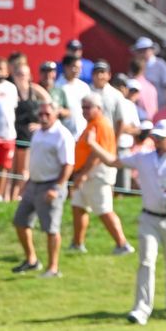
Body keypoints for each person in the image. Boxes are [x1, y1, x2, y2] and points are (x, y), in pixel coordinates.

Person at [90, 120, 166, 325]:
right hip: (149, 217)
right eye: (156, 136)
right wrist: (93, 145)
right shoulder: (143, 157)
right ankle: (141, 309)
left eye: (161, 137)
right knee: (146, 262)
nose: (157, 140)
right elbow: (114, 161)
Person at [13, 101, 76, 277]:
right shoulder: (38, 132)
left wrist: (57, 188)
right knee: (20, 221)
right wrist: (26, 184)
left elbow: (68, 165)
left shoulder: (62, 135)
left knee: (51, 228)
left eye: (47, 114)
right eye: (40, 114)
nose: (43, 117)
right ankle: (31, 260)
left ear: (56, 114)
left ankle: (53, 268)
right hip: (34, 183)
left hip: (51, 184)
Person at [68, 94, 131, 256]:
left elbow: (97, 155)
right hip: (85, 173)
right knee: (78, 207)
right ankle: (77, 243)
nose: (85, 111)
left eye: (88, 107)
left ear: (99, 108)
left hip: (97, 174)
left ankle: (122, 244)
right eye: (83, 107)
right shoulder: (92, 125)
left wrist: (83, 174)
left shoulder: (101, 125)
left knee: (104, 209)